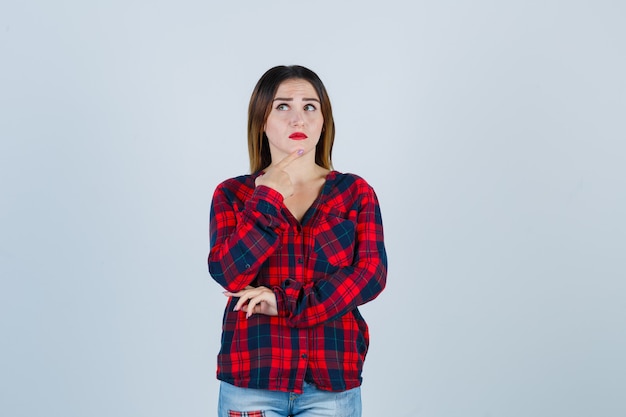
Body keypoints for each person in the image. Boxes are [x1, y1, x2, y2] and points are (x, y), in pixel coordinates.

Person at [208, 65, 387, 417]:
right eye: (282, 106)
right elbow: (229, 273)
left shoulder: (355, 193)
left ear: (323, 121)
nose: (298, 119)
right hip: (252, 382)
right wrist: (268, 196)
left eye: (309, 107)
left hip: (331, 384)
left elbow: (370, 275)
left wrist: (284, 302)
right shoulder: (233, 194)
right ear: (262, 120)